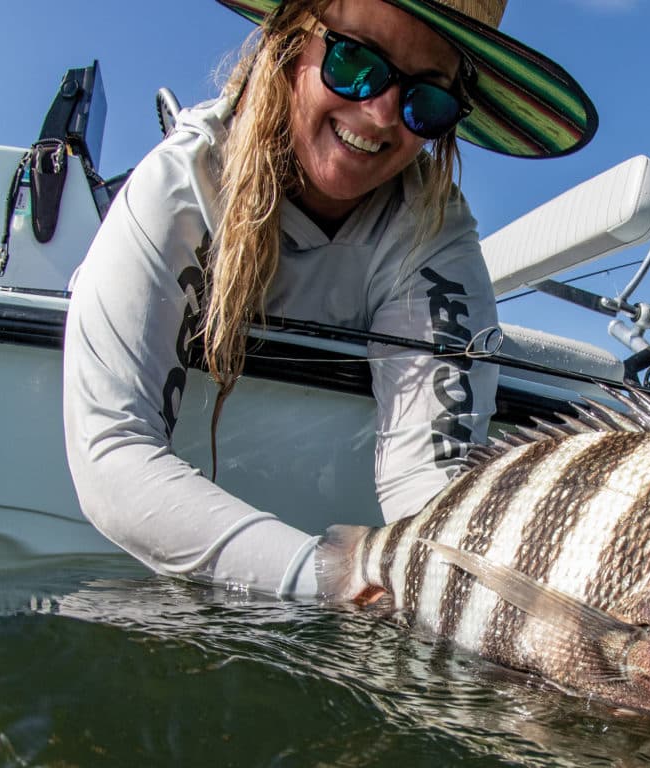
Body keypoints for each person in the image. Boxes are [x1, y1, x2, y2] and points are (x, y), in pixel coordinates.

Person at [62, 0, 597, 599]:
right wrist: (329, 580)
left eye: (428, 99)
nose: (380, 113)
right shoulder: (182, 184)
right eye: (355, 60)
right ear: (292, 45)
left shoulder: (431, 230)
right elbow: (114, 451)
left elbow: (430, 492)